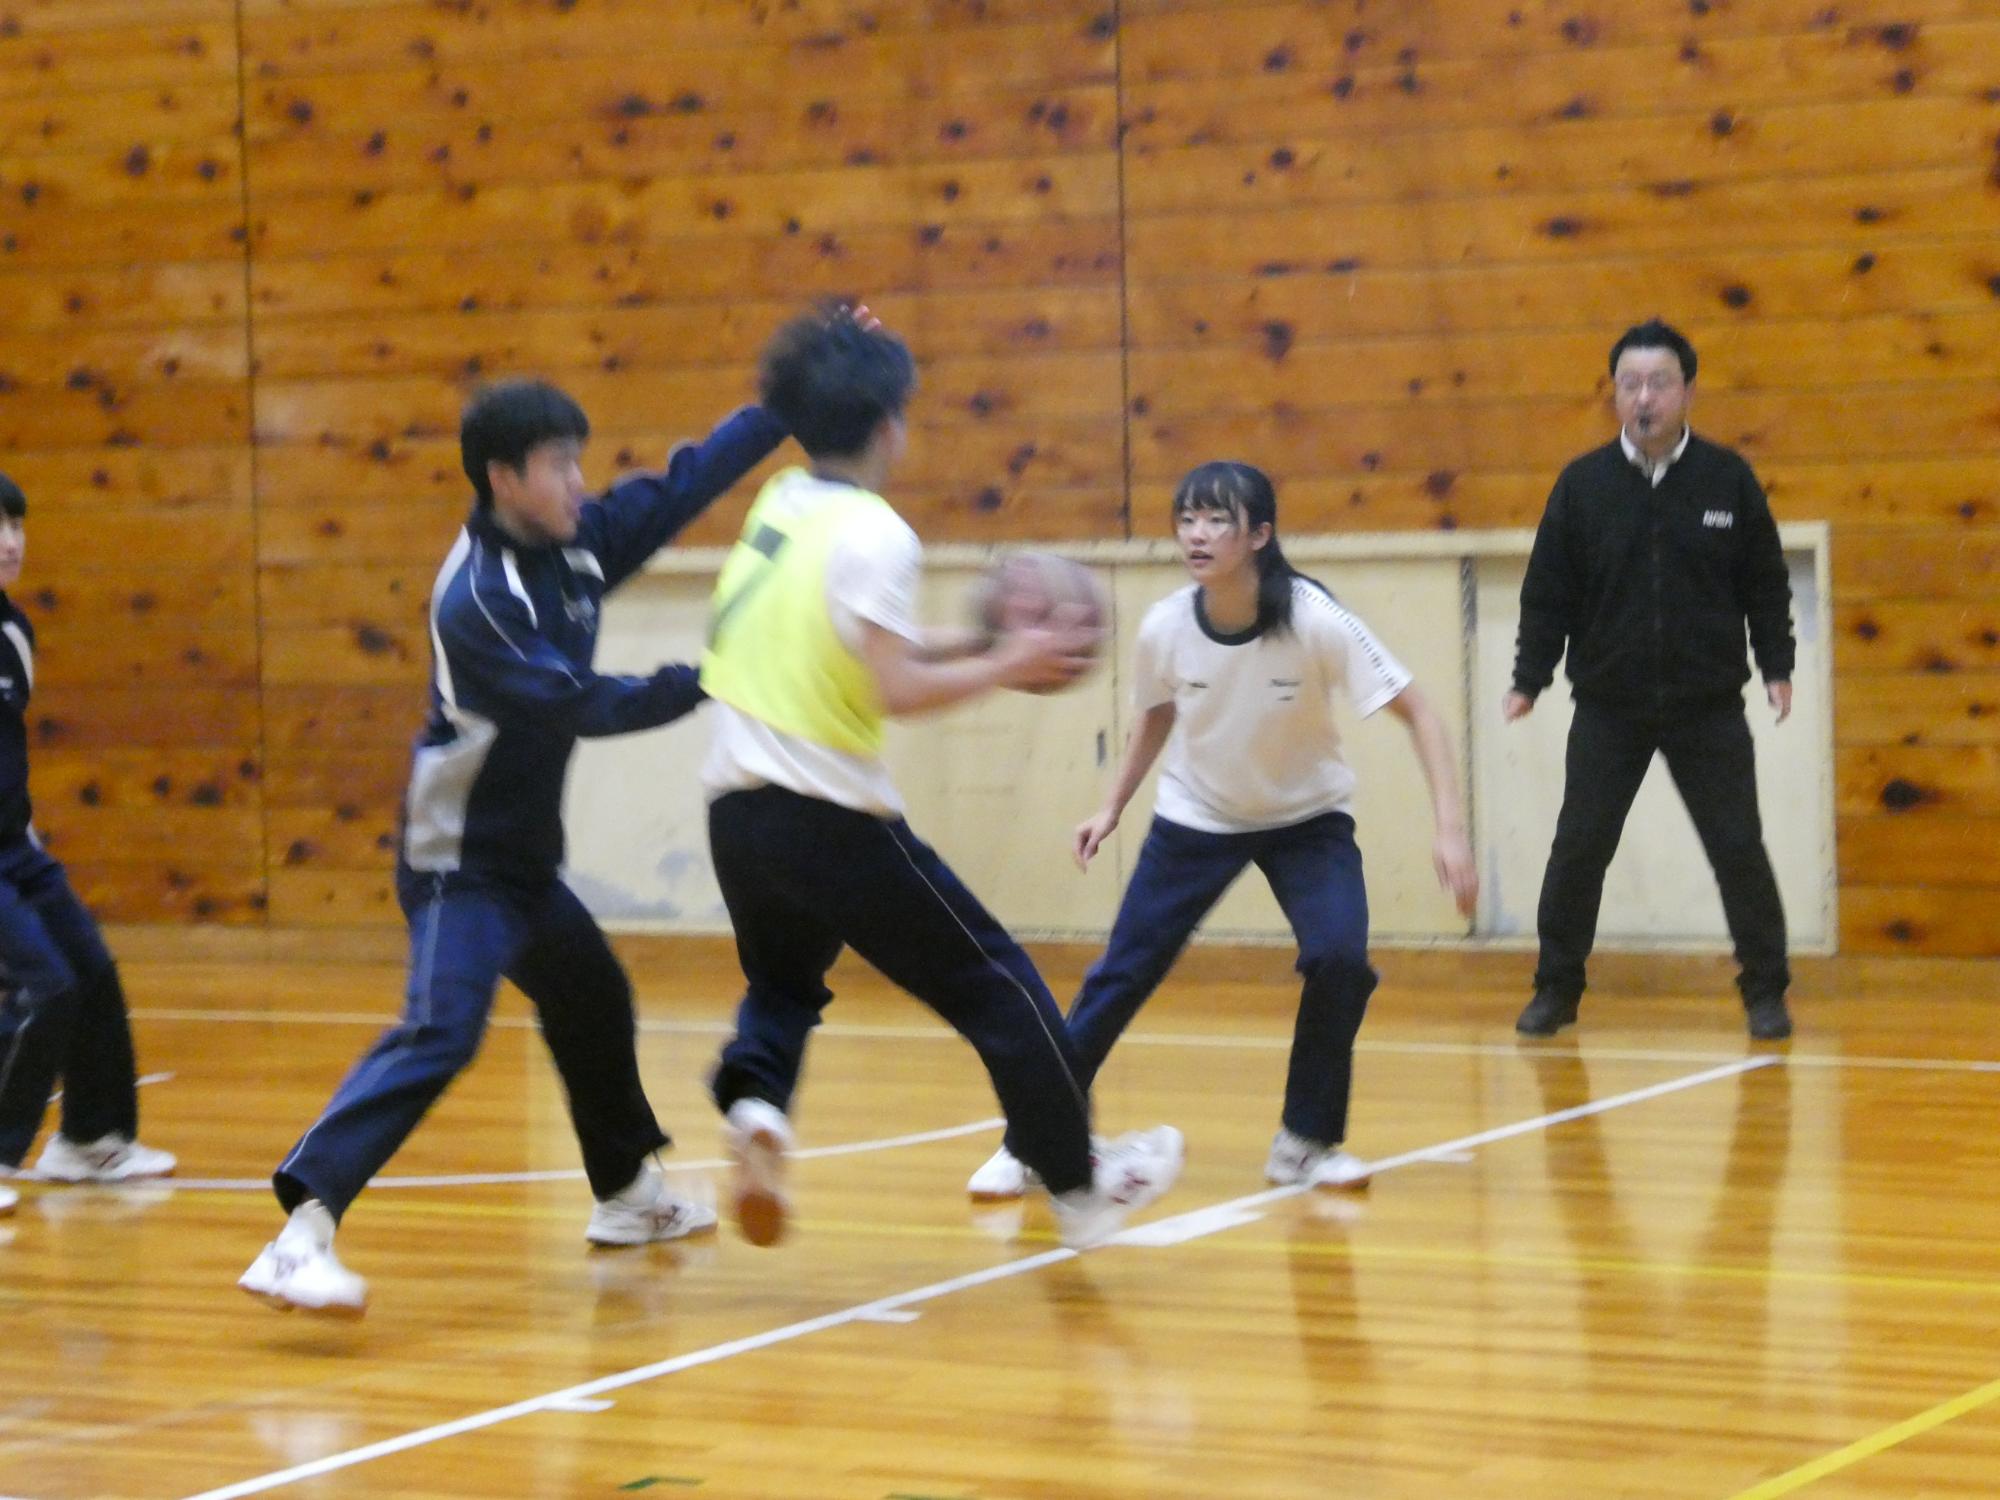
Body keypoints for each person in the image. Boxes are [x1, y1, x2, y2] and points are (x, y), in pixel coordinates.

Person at [239, 376, 789, 1315]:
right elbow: (582, 704)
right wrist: (714, 676)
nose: (580, 481)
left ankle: (626, 1197)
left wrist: (783, 408)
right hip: (458, 865)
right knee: (442, 1031)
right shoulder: (479, 601)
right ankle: (300, 1235)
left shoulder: (574, 544)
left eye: (579, 461)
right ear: (503, 478)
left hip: (524, 863)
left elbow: (683, 485)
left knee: (591, 995)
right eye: (559, 465)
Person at [698, 305, 1184, 1252]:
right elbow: (896, 688)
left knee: (785, 985)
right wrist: (1008, 663)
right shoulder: (877, 533)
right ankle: (1080, 1185)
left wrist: (983, 641)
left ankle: (756, 1107)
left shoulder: (780, 506)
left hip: (736, 813)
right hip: (828, 816)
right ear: (892, 428)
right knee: (997, 985)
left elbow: (862, 644)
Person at [965, 460, 1478, 1201]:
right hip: (1197, 817)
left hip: (1307, 819)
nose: (1196, 535)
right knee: (1120, 974)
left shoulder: (1315, 619)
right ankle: (1031, 1142)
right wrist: (1111, 806)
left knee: (1339, 961)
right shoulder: (1166, 625)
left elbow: (1420, 712)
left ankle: (1305, 1144)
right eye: (1186, 519)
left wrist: (1450, 830)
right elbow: (1155, 715)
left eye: (1215, 520)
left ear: (1259, 535)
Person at [1505, 318, 1795, 1042]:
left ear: (1687, 391)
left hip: (1707, 707)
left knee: (1739, 848)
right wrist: (1529, 677)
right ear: (1615, 395)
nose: (1644, 398)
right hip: (1610, 708)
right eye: (1630, 384)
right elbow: (1548, 592)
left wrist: (1778, 665)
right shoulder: (1582, 486)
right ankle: (1556, 988)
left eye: (1659, 383)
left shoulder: (1728, 479)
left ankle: (1765, 992)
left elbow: (1765, 583)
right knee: (1579, 849)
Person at [0, 474, 177, 1205]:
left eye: (17, 525)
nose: (11, 542)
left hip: (15, 848)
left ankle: (90, 1138)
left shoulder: (15, 633)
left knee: (91, 968)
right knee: (45, 986)